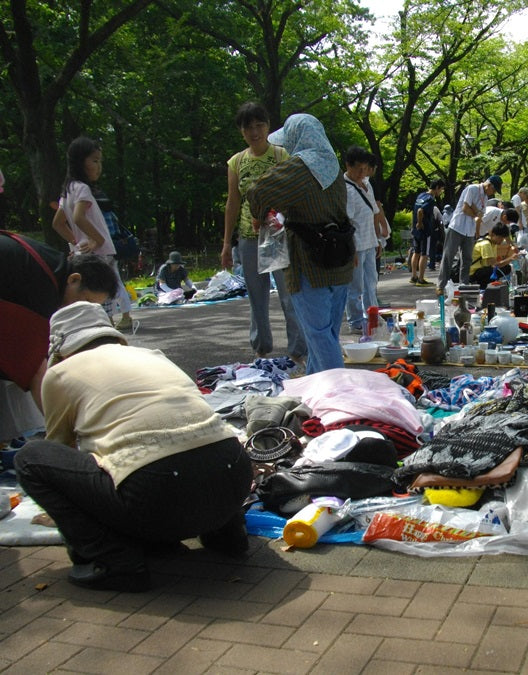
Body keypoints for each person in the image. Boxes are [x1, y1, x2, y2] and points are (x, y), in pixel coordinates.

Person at [14, 301, 252, 592]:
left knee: (31, 458)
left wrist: (63, 513)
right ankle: (225, 532)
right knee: (191, 443)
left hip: (158, 492)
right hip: (234, 475)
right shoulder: (152, 355)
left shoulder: (59, 374)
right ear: (114, 335)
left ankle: (113, 560)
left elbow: (60, 449)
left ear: (61, 351)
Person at [246, 113, 352, 375]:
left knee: (318, 337)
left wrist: (260, 214)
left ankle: (341, 400)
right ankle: (315, 393)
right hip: (339, 258)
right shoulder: (334, 167)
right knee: (326, 336)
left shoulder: (301, 166)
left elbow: (258, 191)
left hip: (308, 260)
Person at [222, 102, 306, 363]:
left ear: (268, 127)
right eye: (249, 127)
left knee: (289, 296)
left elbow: (293, 194)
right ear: (242, 131)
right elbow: (233, 201)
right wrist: (227, 243)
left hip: (279, 235)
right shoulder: (237, 162)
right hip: (248, 237)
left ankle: (298, 352)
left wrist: (277, 218)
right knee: (256, 298)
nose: (255, 131)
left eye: (260, 125)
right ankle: (260, 348)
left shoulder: (281, 154)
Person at [0, 236, 118, 410]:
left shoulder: (53, 265)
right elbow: (38, 371)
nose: (84, 312)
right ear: (74, 279)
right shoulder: (42, 287)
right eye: (85, 301)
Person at [51, 136, 133, 331]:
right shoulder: (83, 189)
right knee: (110, 287)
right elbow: (79, 217)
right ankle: (117, 321)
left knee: (92, 289)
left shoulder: (68, 190)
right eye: (95, 161)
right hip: (101, 251)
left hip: (85, 253)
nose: (99, 166)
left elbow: (58, 223)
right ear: (80, 162)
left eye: (100, 161)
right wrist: (97, 239)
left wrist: (76, 242)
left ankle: (101, 324)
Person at [437, 175, 502, 294]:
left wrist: (476, 216)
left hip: (470, 230)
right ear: (489, 185)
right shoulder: (472, 188)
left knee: (467, 259)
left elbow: (480, 215)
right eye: (493, 189)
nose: (493, 192)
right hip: (457, 226)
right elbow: (465, 208)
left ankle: (464, 285)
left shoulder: (486, 197)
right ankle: (441, 285)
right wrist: (476, 212)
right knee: (448, 257)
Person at [343, 146, 382, 332]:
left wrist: (377, 239)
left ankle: (372, 316)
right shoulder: (345, 189)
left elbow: (373, 211)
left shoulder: (366, 183)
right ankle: (356, 321)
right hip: (356, 245)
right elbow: (346, 222)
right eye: (358, 168)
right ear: (348, 166)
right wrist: (350, 249)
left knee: (371, 283)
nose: (362, 172)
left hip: (369, 242)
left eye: (365, 168)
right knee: (355, 287)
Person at [410, 179, 445, 286]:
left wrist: (416, 224)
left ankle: (414, 276)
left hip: (415, 229)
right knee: (424, 254)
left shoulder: (421, 195)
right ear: (437, 187)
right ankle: (421, 279)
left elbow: (416, 210)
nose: (441, 192)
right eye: (441, 189)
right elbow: (421, 211)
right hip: (424, 229)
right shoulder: (430, 199)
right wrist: (420, 223)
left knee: (416, 252)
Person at [469, 223, 517, 288]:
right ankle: (484, 286)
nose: (502, 240)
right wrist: (510, 259)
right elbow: (494, 264)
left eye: (503, 238)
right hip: (475, 273)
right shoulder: (485, 244)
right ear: (493, 235)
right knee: (499, 269)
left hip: (484, 270)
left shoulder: (493, 244)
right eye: (500, 237)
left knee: (507, 268)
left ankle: (491, 284)